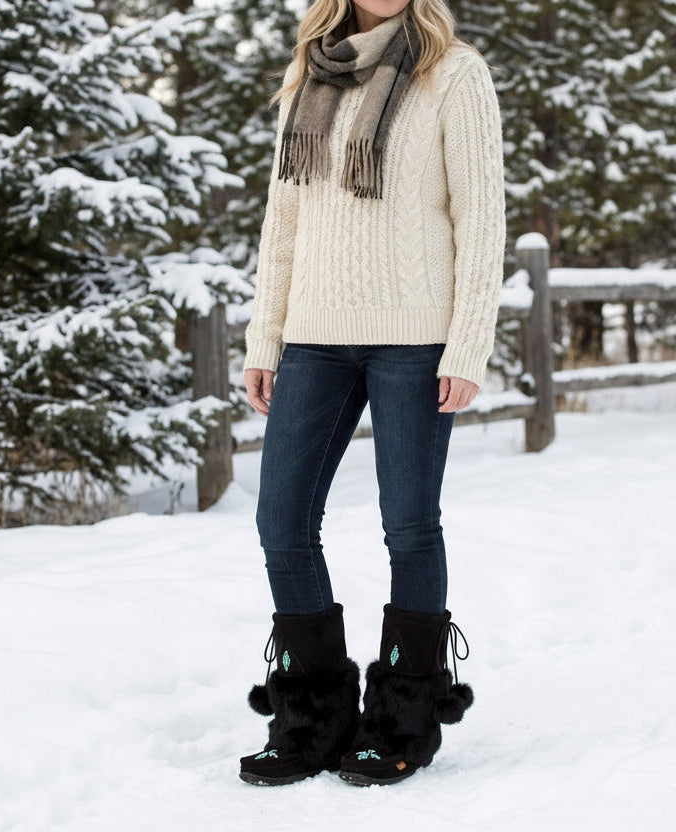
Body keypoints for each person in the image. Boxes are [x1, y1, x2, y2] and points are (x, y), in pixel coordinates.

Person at [238, 0, 505, 787]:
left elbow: (481, 218)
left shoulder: (453, 73)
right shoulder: (309, 73)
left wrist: (467, 342)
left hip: (414, 337)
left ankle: (403, 719)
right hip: (315, 334)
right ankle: (313, 718)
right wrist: (266, 337)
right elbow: (282, 221)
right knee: (281, 518)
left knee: (408, 525)